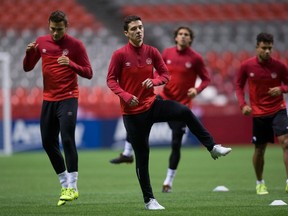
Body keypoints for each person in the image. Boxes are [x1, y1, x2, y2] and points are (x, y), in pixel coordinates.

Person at [107, 15, 232, 210]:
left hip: (152, 104)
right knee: (143, 157)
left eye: (140, 27)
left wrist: (154, 82)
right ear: (126, 33)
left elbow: (165, 74)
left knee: (184, 111)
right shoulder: (119, 55)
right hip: (132, 113)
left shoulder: (152, 51)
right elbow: (111, 80)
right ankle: (149, 200)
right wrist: (124, 95)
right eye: (133, 29)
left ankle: (212, 147)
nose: (138, 31)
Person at [23, 10, 93, 206]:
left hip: (69, 97)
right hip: (48, 99)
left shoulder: (76, 45)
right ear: (49, 26)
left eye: (59, 30)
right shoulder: (42, 42)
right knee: (47, 142)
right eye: (52, 29)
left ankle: (73, 186)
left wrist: (71, 64)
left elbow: (89, 72)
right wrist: (29, 54)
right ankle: (64, 183)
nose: (55, 33)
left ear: (66, 28)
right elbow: (28, 67)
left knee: (68, 139)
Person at [235, 32, 288, 195]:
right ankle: (260, 182)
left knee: (286, 143)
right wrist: (243, 105)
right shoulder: (247, 66)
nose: (267, 51)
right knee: (259, 149)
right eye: (264, 48)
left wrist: (281, 89)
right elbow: (238, 86)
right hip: (258, 113)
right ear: (257, 47)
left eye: (270, 48)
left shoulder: (279, 66)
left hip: (278, 108)